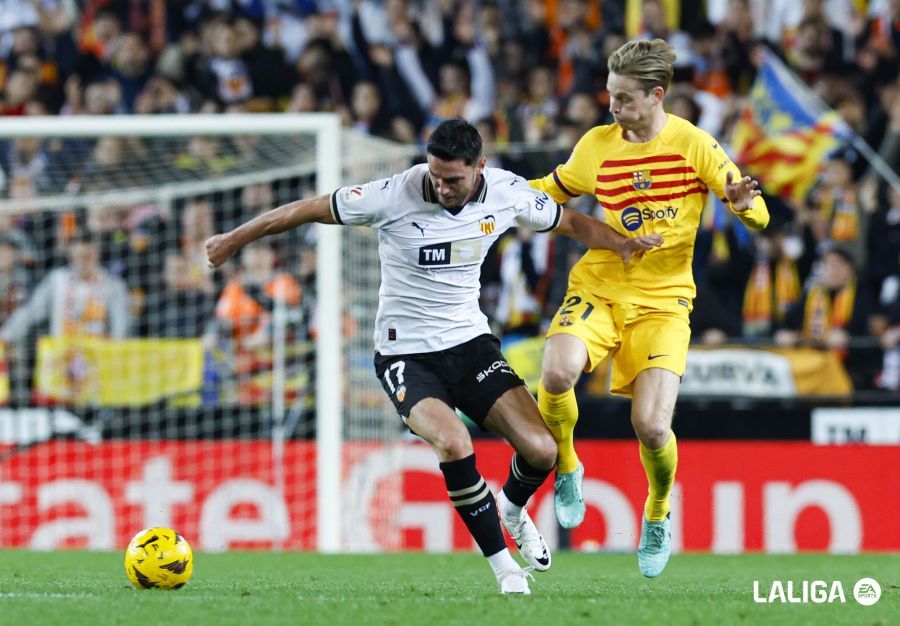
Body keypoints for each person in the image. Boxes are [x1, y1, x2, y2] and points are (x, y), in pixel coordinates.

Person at [206, 119, 662, 595]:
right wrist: (233, 240)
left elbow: (570, 222)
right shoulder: (392, 195)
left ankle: (511, 508)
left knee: (543, 450)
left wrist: (622, 243)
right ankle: (505, 569)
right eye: (435, 175)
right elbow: (308, 209)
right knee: (453, 443)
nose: (441, 187)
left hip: (469, 344)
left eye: (453, 179)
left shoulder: (508, 192)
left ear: (480, 167)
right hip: (406, 354)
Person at [529, 39, 769, 578]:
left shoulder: (695, 145)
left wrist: (744, 206)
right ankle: (568, 464)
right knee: (557, 371)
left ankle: (657, 513)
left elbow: (759, 216)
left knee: (653, 426)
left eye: (623, 99)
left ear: (656, 95)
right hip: (599, 283)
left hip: (663, 302)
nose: (611, 108)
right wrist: (496, 192)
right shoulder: (597, 145)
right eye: (610, 97)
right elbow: (554, 189)